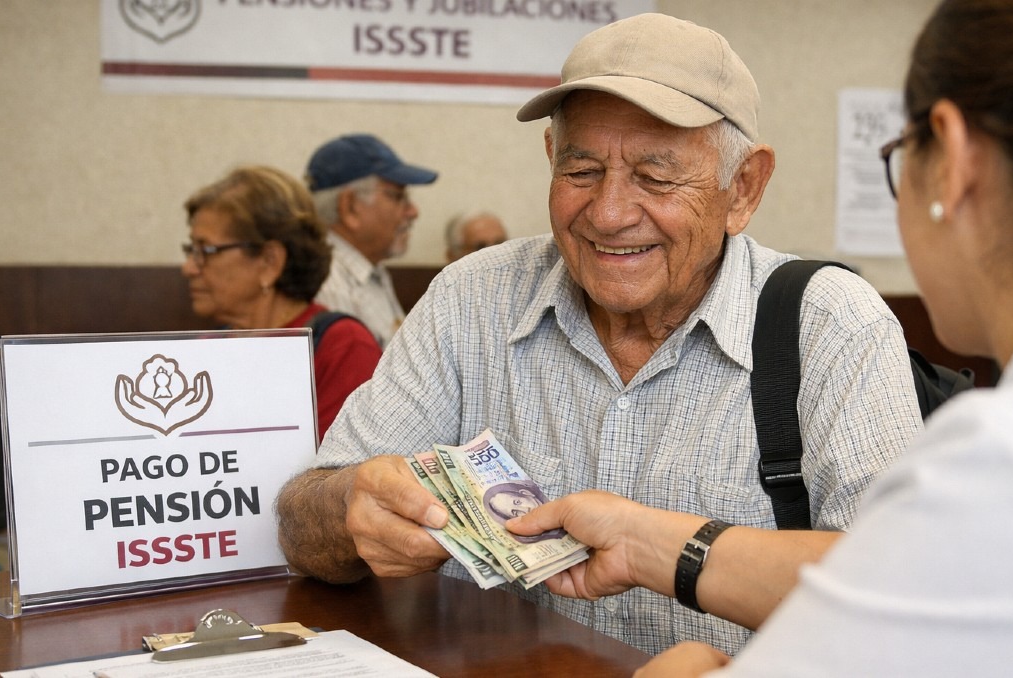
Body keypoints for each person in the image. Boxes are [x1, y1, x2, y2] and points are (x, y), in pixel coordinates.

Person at [507, 0, 1013, 674]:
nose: (613, 213)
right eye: (583, 170)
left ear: (954, 160)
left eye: (898, 155)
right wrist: (648, 542)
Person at [276, 13, 922, 656]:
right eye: (582, 171)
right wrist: (348, 509)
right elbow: (301, 521)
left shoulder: (831, 326)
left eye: (656, 176)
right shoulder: (471, 299)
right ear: (552, 157)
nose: (609, 214)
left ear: (743, 188)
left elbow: (913, 597)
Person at [183, 165, 382, 442]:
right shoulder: (205, 347)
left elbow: (338, 474)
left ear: (269, 261)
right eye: (191, 250)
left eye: (205, 251)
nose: (189, 268)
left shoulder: (342, 345)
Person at [306, 134, 438, 347]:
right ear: (349, 207)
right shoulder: (329, 284)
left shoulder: (369, 271)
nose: (413, 212)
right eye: (397, 196)